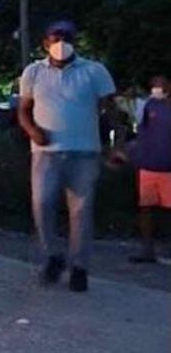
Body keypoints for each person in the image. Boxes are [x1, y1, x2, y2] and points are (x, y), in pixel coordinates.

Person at [19, 20, 116, 293]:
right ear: (45, 42)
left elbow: (110, 110)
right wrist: (32, 131)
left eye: (67, 36)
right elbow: (23, 110)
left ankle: (80, 268)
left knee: (82, 212)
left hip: (85, 151)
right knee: (41, 204)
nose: (61, 41)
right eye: (56, 36)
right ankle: (52, 256)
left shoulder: (94, 71)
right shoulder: (33, 72)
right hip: (45, 152)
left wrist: (116, 144)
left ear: (75, 40)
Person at [115, 76, 171, 263]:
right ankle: (147, 250)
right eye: (154, 85)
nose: (157, 89)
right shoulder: (147, 106)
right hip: (148, 166)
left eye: (161, 85)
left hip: (167, 167)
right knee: (146, 208)